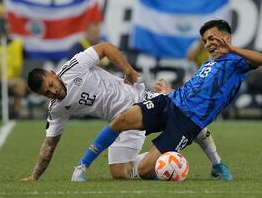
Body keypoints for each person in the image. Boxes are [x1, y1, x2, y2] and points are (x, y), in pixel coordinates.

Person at [77, 19, 262, 180]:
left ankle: (177, 163)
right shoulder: (209, 63)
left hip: (187, 122)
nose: (208, 43)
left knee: (145, 171)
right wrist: (170, 91)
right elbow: (196, 90)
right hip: (169, 102)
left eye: (212, 38)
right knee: (122, 119)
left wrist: (231, 48)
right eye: (205, 40)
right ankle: (82, 167)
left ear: (226, 38)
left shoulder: (237, 62)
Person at [21, 42, 230, 182]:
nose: (53, 91)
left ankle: (217, 163)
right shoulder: (56, 109)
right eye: (46, 92)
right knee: (119, 173)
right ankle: (163, 161)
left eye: (51, 84)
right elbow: (49, 145)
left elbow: (104, 48)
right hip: (120, 124)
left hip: (139, 100)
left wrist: (127, 69)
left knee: (186, 114)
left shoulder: (74, 66)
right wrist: (34, 176)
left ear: (53, 74)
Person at [0, 3, 28, 118]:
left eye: (7, 24)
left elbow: (27, 62)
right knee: (19, 85)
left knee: (23, 83)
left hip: (16, 78)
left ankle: (14, 111)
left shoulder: (18, 44)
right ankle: (15, 113)